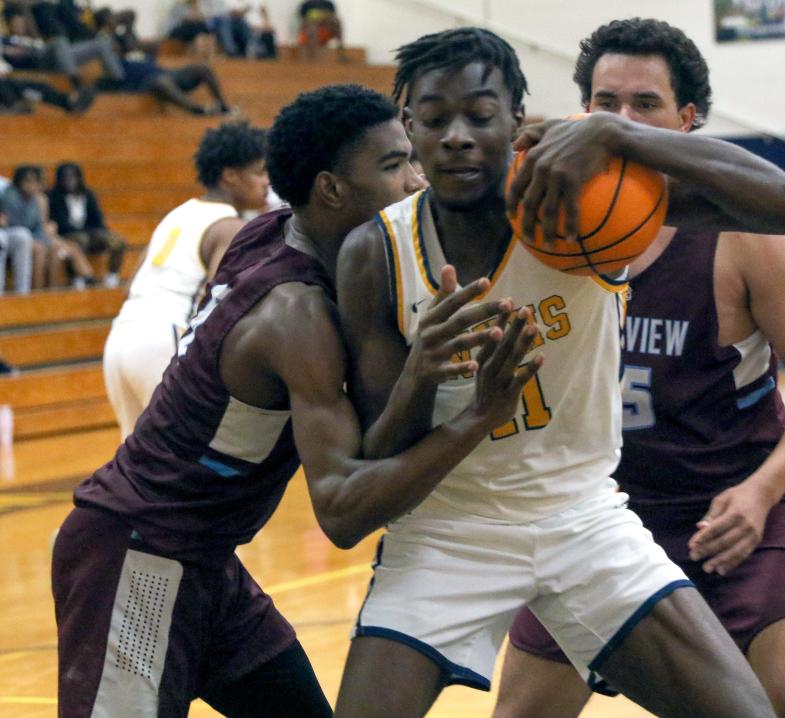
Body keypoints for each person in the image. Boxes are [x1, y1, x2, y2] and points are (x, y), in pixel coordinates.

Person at [333, 26, 785, 718]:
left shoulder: (580, 203)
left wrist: (622, 137)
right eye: (435, 120)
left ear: (519, 118)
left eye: (480, 114)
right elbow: (379, 456)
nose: (458, 137)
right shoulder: (373, 252)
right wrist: (423, 376)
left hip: (580, 518)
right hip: (447, 529)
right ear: (408, 127)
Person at [53, 82, 539, 718]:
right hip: (136, 555)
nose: (417, 181)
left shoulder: (276, 230)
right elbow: (342, 512)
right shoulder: (296, 316)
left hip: (205, 560)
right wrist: (480, 414)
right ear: (331, 190)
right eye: (394, 166)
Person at [493, 17, 785, 718]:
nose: (621, 121)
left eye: (646, 105)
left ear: (685, 121)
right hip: (597, 520)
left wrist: (760, 492)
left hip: (735, 511)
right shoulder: (541, 227)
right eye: (605, 105)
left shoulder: (742, 235)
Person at [102, 122, 266, 439]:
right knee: (184, 457)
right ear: (231, 175)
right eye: (259, 172)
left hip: (121, 338)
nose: (266, 182)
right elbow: (223, 303)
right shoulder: (229, 225)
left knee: (137, 462)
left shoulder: (177, 214)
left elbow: (133, 280)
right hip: (165, 336)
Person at [94, 8, 235, 117]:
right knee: (160, 81)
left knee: (202, 68)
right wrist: (108, 32)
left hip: (168, 74)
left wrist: (113, 23)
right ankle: (197, 110)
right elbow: (110, 56)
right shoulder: (106, 51)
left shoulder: (126, 40)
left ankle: (223, 106)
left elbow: (130, 14)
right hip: (148, 84)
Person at [1, 164, 95, 290]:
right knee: (39, 249)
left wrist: (46, 238)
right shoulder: (10, 196)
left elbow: (39, 225)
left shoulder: (37, 199)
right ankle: (36, 290)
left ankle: (52, 291)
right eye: (28, 181)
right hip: (15, 234)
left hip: (34, 235)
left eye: (34, 181)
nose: (32, 185)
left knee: (55, 250)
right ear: (19, 181)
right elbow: (14, 224)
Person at [1, 5, 124, 90]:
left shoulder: (32, 37)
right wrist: (11, 51)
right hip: (39, 59)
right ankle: (75, 82)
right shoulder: (6, 40)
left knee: (100, 43)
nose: (20, 26)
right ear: (10, 24)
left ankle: (118, 81)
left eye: (22, 23)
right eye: (16, 23)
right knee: (59, 40)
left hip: (60, 57)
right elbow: (6, 55)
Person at [48, 162, 127, 288]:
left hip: (90, 231)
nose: (70, 180)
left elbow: (98, 219)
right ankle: (77, 277)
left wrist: (95, 232)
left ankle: (112, 277)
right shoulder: (54, 197)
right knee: (81, 240)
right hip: (67, 234)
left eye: (73, 177)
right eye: (66, 177)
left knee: (117, 241)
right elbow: (61, 224)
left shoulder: (88, 195)